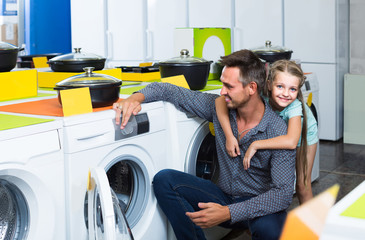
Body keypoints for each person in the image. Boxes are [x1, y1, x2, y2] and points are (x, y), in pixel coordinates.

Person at [113, 50, 296, 240]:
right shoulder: (221, 109)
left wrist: (229, 213)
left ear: (251, 88)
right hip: (222, 199)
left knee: (273, 230)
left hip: (259, 207)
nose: (222, 91)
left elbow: (282, 195)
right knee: (164, 180)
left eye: (228, 86)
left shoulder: (278, 131)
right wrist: (136, 97)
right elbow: (169, 91)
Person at [215, 59, 318, 204]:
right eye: (280, 86)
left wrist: (256, 144)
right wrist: (229, 136)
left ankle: (312, 226)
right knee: (269, 184)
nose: (286, 94)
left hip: (304, 135)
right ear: (269, 85)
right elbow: (219, 102)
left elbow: (291, 141)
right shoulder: (261, 96)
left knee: (302, 185)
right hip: (278, 136)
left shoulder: (294, 106)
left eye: (292, 89)